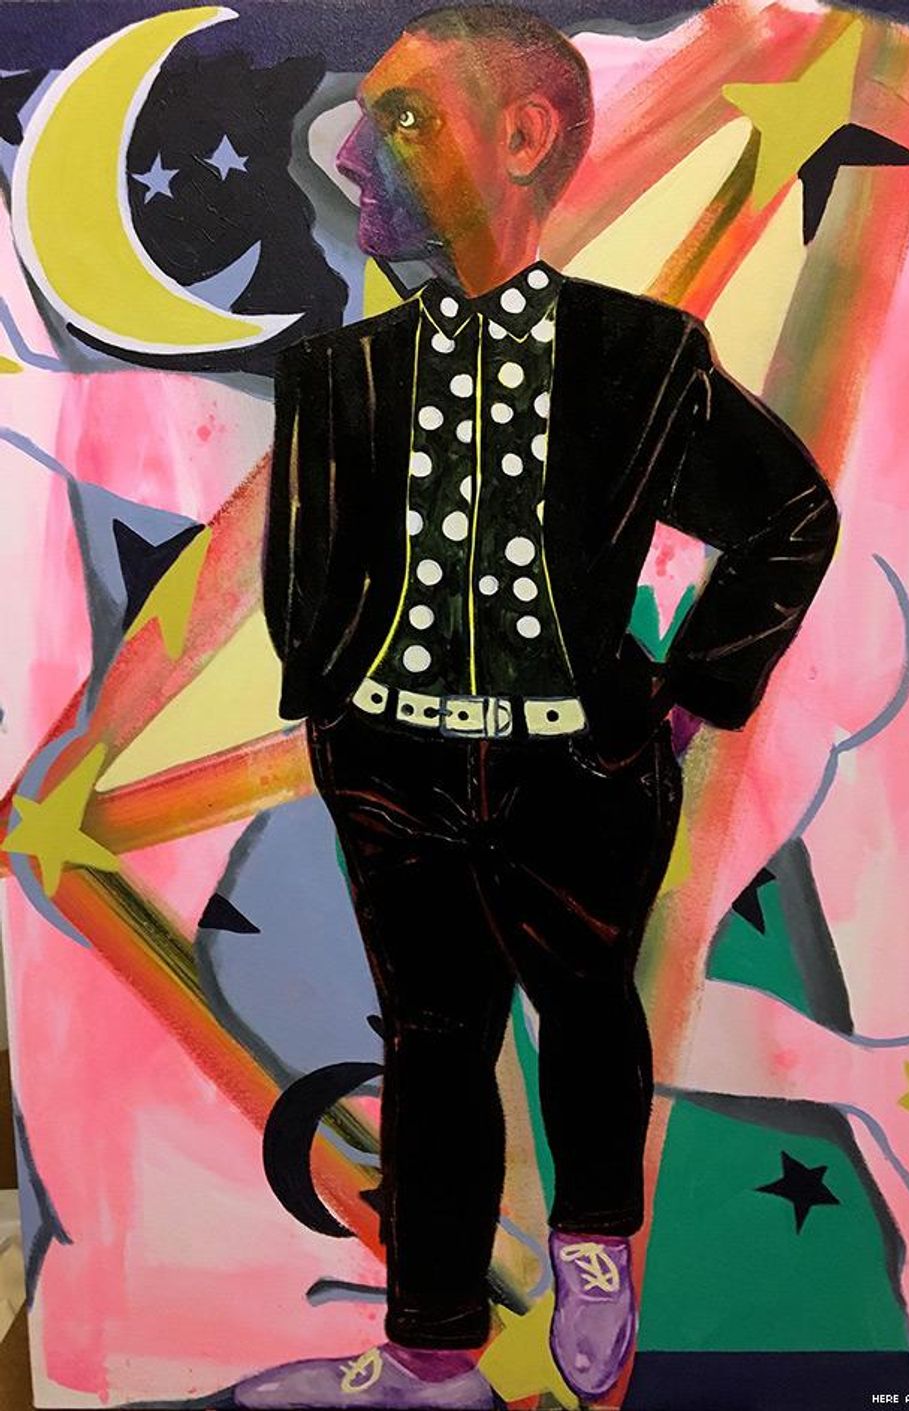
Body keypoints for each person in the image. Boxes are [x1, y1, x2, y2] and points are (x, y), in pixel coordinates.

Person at [235, 6, 839, 1407]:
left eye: (401, 119)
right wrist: (340, 721)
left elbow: (790, 517)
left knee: (586, 1011)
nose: (348, 151)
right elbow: (305, 578)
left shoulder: (642, 357)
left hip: (582, 770)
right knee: (431, 1047)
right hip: (390, 771)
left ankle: (594, 1240)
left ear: (523, 137)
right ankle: (430, 1342)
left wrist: (685, 696)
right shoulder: (340, 376)